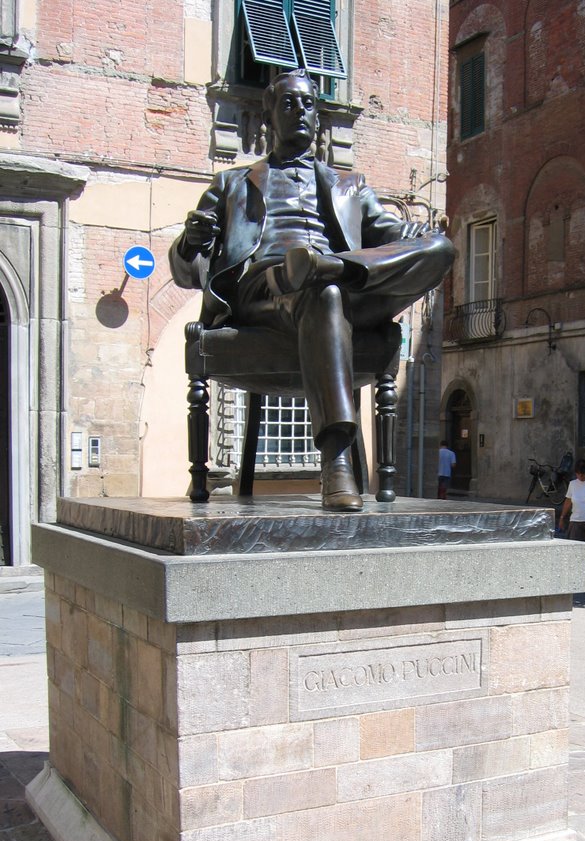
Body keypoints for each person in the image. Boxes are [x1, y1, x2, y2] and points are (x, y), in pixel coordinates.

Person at [169, 68, 454, 512]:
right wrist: (191, 240)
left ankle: (329, 265)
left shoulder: (350, 186)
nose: (300, 111)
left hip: (341, 287)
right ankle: (337, 465)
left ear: (318, 118)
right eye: (288, 103)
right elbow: (186, 269)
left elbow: (392, 233)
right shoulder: (232, 183)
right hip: (262, 292)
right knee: (322, 292)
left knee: (439, 250)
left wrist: (419, 238)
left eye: (308, 104)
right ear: (268, 117)